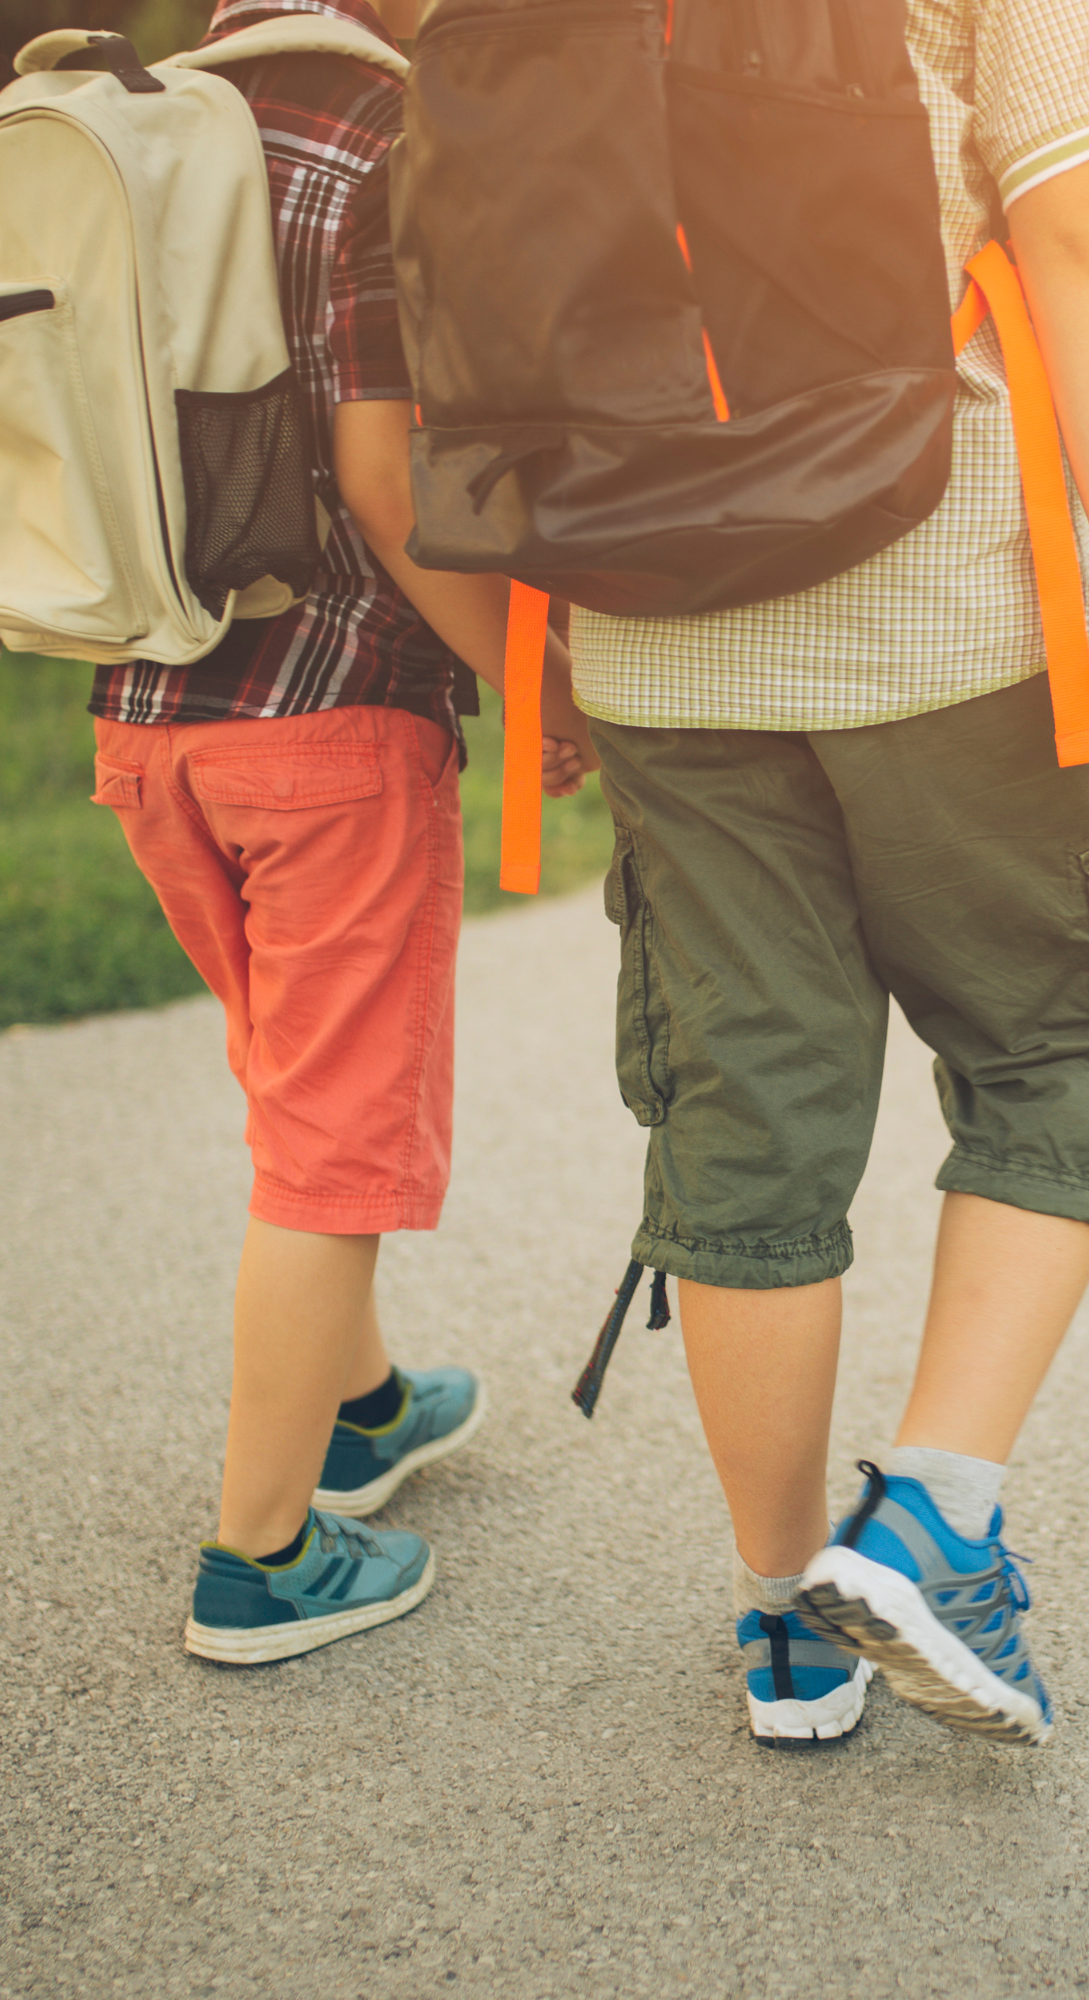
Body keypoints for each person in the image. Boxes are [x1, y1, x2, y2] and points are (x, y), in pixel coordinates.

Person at [571, 0, 1089, 1743]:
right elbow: (1084, 217)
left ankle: (788, 1616)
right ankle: (934, 1521)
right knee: (1067, 1048)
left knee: (749, 1104)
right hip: (951, 593)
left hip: (649, 622)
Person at [87, 0, 594, 1665]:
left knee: (294, 1089)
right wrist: (529, 678)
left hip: (153, 722)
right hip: (328, 727)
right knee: (334, 1148)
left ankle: (362, 1409)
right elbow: (388, 479)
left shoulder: (145, 125)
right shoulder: (383, 136)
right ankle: (260, 1556)